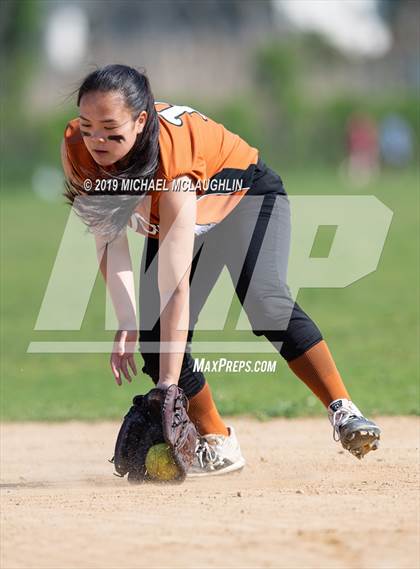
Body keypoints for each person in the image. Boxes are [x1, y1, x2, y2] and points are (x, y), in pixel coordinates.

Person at [61, 64, 381, 477]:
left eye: (110, 128)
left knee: (264, 302)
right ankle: (218, 442)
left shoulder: (170, 161)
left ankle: (344, 410)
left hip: (244, 195)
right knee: (156, 340)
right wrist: (126, 320)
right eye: (88, 126)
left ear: (141, 121)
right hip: (178, 212)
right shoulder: (78, 149)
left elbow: (175, 287)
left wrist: (168, 388)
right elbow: (108, 237)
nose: (96, 140)